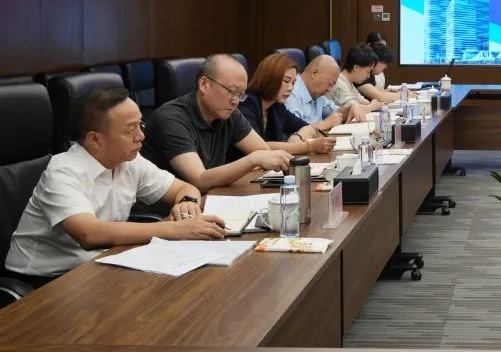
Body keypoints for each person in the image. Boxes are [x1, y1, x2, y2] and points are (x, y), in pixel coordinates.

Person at [5, 87, 227, 288]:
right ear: (95, 139)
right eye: (130, 129)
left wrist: (187, 204)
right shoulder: (63, 171)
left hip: (98, 265)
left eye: (140, 124)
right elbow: (89, 233)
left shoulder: (129, 160)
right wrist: (176, 229)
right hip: (44, 281)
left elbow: (184, 188)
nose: (141, 136)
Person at [141, 54, 292, 194]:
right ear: (204, 84)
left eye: (241, 95)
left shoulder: (229, 113)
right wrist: (253, 160)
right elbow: (199, 179)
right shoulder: (170, 119)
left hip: (210, 199)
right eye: (232, 91)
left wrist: (260, 157)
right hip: (172, 209)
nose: (235, 101)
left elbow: (263, 151)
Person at [237, 53, 336, 155]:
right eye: (286, 81)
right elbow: (258, 146)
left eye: (293, 83)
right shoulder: (246, 104)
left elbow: (307, 127)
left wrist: (297, 137)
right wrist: (308, 146)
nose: (290, 88)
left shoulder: (276, 106)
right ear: (269, 77)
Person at [284, 54, 365, 128]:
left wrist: (351, 108)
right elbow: (296, 130)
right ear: (314, 73)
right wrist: (326, 124)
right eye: (330, 84)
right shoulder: (290, 92)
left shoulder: (317, 93)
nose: (329, 90)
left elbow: (335, 113)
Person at [329, 45, 384, 117]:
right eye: (368, 71)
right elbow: (354, 110)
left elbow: (362, 101)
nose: (368, 76)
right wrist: (371, 106)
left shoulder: (348, 82)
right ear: (356, 67)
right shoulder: (339, 84)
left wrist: (372, 104)